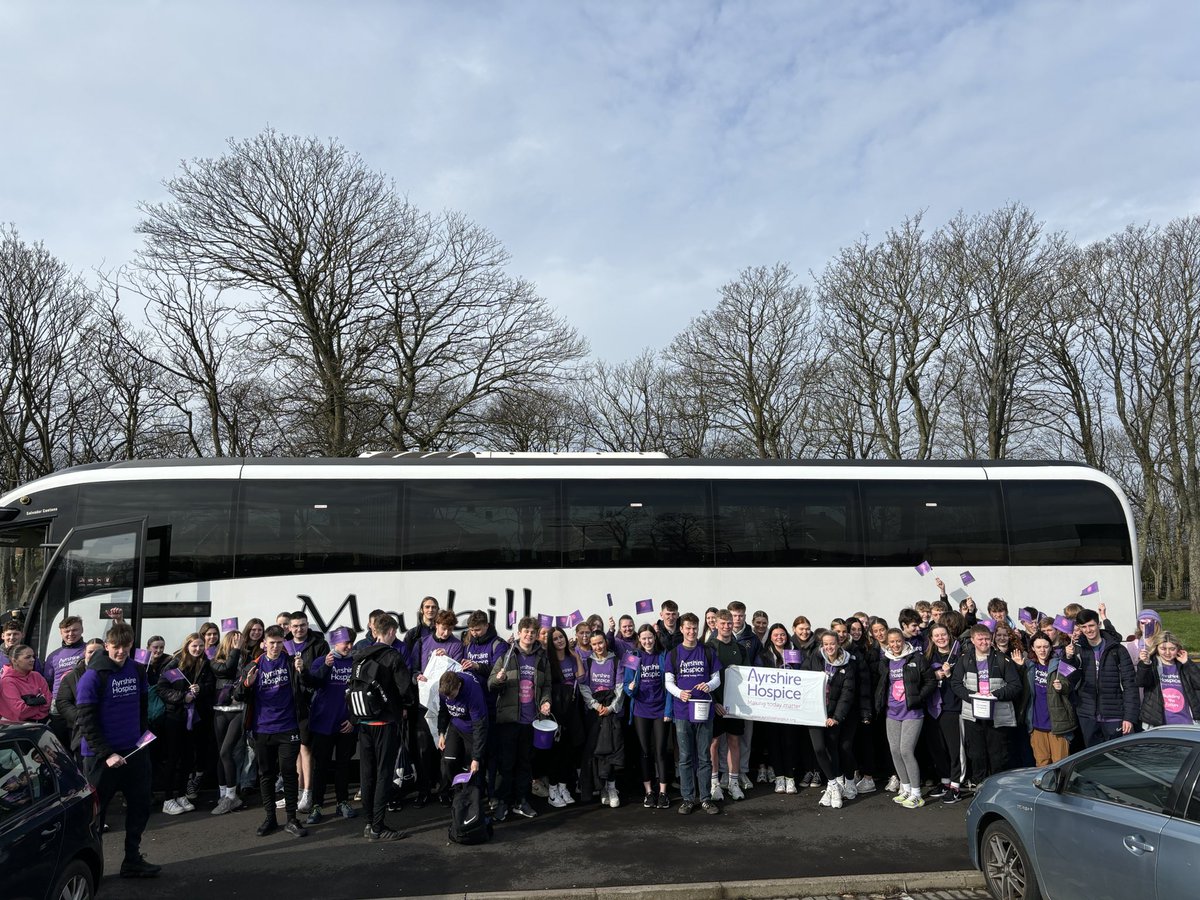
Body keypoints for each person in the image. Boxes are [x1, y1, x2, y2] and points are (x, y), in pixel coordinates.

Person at [75, 622, 161, 877]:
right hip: (102, 758)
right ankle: (95, 868)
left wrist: (143, 737)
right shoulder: (93, 676)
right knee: (95, 817)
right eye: (115, 647)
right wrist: (107, 753)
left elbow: (142, 707)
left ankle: (132, 859)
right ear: (106, 646)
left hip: (134, 752)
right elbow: (86, 722)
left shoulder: (137, 670)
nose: (121, 651)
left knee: (140, 806)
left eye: (126, 646)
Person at [235, 625, 308, 838]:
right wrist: (247, 685)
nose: (275, 647)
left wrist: (303, 671)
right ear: (264, 644)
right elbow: (238, 694)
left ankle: (292, 819)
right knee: (265, 775)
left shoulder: (291, 663)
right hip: (261, 729)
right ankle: (270, 818)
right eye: (271, 643)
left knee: (288, 773)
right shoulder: (253, 665)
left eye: (279, 643)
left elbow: (309, 685)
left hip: (288, 728)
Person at [349, 613, 414, 841]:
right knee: (384, 774)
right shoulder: (392, 656)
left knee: (366, 774)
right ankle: (378, 827)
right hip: (385, 723)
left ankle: (369, 823)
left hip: (363, 722)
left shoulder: (359, 656)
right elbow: (405, 690)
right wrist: (405, 705)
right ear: (391, 632)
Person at [488, 616, 552, 821]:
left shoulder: (542, 658)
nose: (529, 635)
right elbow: (491, 684)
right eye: (526, 631)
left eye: (533, 632)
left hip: (530, 720)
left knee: (525, 764)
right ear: (520, 632)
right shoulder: (507, 655)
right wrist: (499, 680)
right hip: (508, 720)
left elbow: (547, 685)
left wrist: (546, 700)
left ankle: (522, 801)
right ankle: (502, 802)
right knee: (506, 764)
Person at [665, 611, 721, 815]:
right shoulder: (673, 653)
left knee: (705, 757)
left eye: (694, 628)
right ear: (681, 629)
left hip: (704, 711)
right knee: (686, 757)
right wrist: (680, 693)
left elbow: (717, 678)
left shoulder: (707, 651)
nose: (691, 631)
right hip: (682, 712)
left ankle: (705, 798)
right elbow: (668, 682)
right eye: (687, 628)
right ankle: (688, 798)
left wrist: (708, 685)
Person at [951, 624, 1022, 783]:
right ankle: (979, 787)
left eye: (987, 638)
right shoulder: (964, 659)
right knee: (976, 755)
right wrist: (972, 696)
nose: (984, 642)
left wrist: (994, 695)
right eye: (980, 639)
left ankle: (997, 788)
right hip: (973, 717)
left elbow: (1015, 686)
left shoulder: (1003, 660)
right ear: (972, 640)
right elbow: (955, 684)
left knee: (998, 756)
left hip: (997, 717)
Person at [302, 629, 357, 824]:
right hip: (322, 724)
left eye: (351, 642)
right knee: (321, 767)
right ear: (335, 643)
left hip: (346, 725)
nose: (349, 646)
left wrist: (353, 720)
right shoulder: (321, 661)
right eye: (345, 643)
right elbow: (313, 683)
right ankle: (317, 805)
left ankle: (343, 802)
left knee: (343, 765)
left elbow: (359, 693)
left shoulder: (355, 663)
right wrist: (325, 666)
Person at [157, 632, 215, 815]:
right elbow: (161, 688)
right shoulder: (175, 663)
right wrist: (183, 697)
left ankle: (181, 794)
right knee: (173, 758)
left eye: (200, 646)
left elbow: (211, 685)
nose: (197, 649)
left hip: (195, 718)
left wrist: (201, 688)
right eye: (194, 646)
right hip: (175, 717)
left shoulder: (205, 663)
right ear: (187, 646)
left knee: (188, 758)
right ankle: (168, 799)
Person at [876, 627, 934, 809]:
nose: (895, 645)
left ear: (903, 641)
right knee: (895, 751)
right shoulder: (885, 660)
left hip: (912, 712)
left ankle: (917, 794)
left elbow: (931, 681)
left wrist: (918, 697)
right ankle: (906, 789)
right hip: (892, 712)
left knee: (906, 750)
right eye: (891, 642)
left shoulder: (916, 658)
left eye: (898, 641)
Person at [1062, 608, 1137, 746]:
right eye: (1083, 627)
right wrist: (1068, 658)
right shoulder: (1077, 649)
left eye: (1091, 625)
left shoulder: (1117, 650)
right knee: (1093, 761)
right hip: (1087, 715)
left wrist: (1129, 717)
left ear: (1098, 625)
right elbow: (1070, 680)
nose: (1088, 630)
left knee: (1118, 757)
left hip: (1114, 714)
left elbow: (1130, 685)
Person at [286, 610, 329, 814]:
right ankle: (298, 791)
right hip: (289, 703)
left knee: (306, 748)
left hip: (310, 703)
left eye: (302, 625)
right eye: (295, 626)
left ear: (307, 625)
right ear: (290, 627)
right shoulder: (285, 645)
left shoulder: (319, 644)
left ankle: (308, 793)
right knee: (295, 748)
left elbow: (322, 674)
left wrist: (304, 671)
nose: (299, 629)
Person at [805, 631, 856, 808]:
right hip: (814, 713)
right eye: (825, 644)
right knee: (819, 749)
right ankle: (833, 785)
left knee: (832, 749)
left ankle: (833, 787)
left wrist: (836, 717)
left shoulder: (847, 665)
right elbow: (801, 680)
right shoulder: (815, 658)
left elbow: (847, 694)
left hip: (833, 716)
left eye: (832, 644)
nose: (829, 647)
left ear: (838, 644)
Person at [624, 624, 670, 809]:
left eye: (650, 637)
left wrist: (668, 711)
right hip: (640, 711)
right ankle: (649, 792)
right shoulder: (633, 656)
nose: (647, 641)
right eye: (643, 638)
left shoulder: (663, 655)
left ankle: (663, 793)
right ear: (639, 640)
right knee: (644, 752)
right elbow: (627, 684)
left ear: (655, 637)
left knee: (660, 751)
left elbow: (669, 685)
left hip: (660, 710)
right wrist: (630, 689)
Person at [578, 630, 624, 808]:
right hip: (594, 712)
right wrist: (596, 706)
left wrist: (611, 708)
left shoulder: (616, 661)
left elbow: (620, 687)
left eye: (600, 643)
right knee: (596, 750)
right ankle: (602, 787)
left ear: (605, 642)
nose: (598, 647)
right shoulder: (587, 661)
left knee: (611, 750)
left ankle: (612, 787)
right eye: (594, 644)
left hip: (611, 711)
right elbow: (584, 687)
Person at [706, 609, 747, 801]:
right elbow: (704, 677)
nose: (726, 626)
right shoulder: (709, 647)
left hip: (735, 706)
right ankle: (714, 783)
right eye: (722, 623)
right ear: (715, 624)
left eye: (729, 623)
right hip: (716, 704)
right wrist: (714, 702)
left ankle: (733, 782)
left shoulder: (740, 648)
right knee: (714, 743)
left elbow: (748, 677)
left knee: (734, 742)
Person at [922, 624, 964, 803]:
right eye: (936, 635)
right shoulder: (927, 657)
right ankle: (945, 781)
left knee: (954, 749)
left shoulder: (959, 656)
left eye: (943, 635)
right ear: (931, 638)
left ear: (949, 635)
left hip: (951, 706)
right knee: (937, 747)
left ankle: (956, 785)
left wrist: (949, 674)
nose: (941, 638)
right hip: (932, 707)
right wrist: (935, 676)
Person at [1020, 633, 1076, 765]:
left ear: (1051, 647)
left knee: (1060, 764)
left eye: (1045, 646)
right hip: (1036, 724)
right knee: (1042, 763)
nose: (1042, 650)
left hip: (1057, 724)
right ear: (1033, 648)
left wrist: (1061, 686)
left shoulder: (1059, 664)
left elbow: (1070, 685)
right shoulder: (1028, 666)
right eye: (1038, 647)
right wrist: (1018, 667)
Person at [544, 625, 582, 808]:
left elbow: (581, 677)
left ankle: (563, 787)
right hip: (555, 711)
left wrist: (576, 657)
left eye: (561, 637)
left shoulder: (570, 657)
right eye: (555, 639)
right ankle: (552, 791)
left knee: (569, 750)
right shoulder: (548, 661)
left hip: (571, 710)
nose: (559, 641)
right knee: (555, 752)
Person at [760, 624, 799, 792]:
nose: (779, 638)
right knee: (774, 743)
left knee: (789, 742)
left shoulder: (794, 653)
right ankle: (779, 778)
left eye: (782, 634)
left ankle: (790, 778)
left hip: (790, 706)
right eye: (776, 635)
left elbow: (801, 674)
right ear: (771, 637)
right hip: (771, 707)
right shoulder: (763, 655)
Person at [211, 628, 246, 814]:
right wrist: (235, 651)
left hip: (238, 711)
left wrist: (239, 652)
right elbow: (228, 670)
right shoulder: (216, 660)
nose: (237, 643)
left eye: (239, 640)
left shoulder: (245, 659)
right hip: (220, 711)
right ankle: (223, 794)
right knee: (220, 754)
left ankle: (232, 796)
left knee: (227, 752)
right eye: (234, 640)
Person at [50, 639, 105, 759]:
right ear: (84, 653)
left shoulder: (112, 673)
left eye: (98, 652)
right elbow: (63, 702)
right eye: (91, 652)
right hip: (81, 732)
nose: (94, 655)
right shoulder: (71, 676)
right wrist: (81, 717)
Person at [1135, 631, 1200, 727]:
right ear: (1156, 648)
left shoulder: (1183, 665)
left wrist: (1187, 663)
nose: (1167, 653)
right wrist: (1145, 664)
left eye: (1172, 649)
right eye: (1163, 648)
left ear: (1178, 648)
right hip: (1158, 722)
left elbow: (1198, 683)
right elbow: (1141, 682)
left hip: (1186, 721)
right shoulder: (1152, 663)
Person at [42, 615, 86, 748]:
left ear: (82, 630)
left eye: (75, 630)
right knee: (60, 746)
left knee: (79, 743)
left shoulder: (89, 650)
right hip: (58, 705)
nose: (70, 634)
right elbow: (48, 681)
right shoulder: (53, 656)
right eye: (66, 631)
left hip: (81, 701)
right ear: (61, 633)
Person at [437, 669, 488, 784]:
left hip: (472, 727)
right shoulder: (444, 689)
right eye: (447, 697)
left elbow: (480, 725)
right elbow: (443, 711)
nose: (450, 699)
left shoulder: (473, 691)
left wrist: (476, 758)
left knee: (472, 765)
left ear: (459, 686)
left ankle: (473, 791)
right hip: (456, 723)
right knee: (448, 760)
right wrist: (441, 733)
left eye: (453, 695)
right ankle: (456, 788)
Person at [0, 643, 52, 722]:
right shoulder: (7, 682)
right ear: (14, 661)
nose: (33, 659)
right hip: (16, 728)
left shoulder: (37, 676)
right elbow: (20, 712)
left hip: (41, 724)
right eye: (27, 657)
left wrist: (31, 704)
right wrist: (40, 703)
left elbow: (48, 701)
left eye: (33, 656)